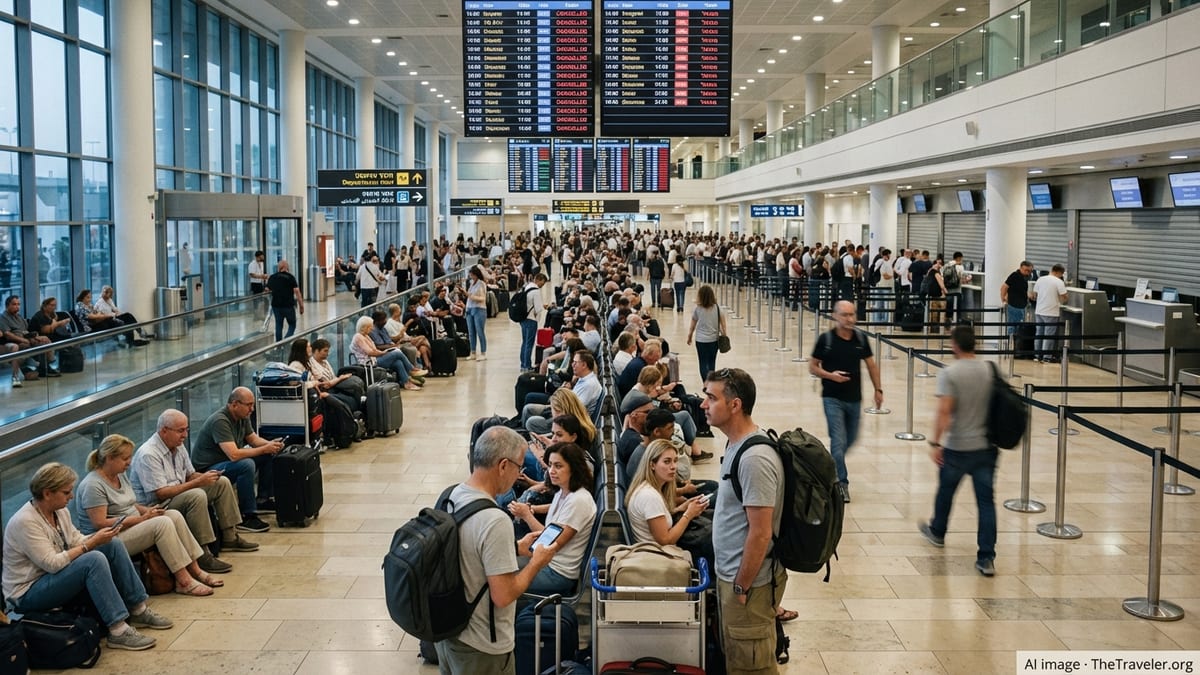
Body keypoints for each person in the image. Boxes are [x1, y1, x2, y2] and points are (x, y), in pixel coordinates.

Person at [3, 462, 173, 651]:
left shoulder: (60, 511)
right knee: (92, 560)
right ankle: (117, 629)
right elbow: (52, 564)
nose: (71, 497)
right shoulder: (25, 522)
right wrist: (91, 544)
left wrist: (101, 538)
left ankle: (138, 608)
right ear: (47, 493)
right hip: (28, 592)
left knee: (113, 544)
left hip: (50, 578)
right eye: (66, 492)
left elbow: (75, 539)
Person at [433, 426, 559, 672]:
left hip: (449, 634)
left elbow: (466, 549)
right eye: (519, 466)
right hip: (482, 645)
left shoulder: (452, 495)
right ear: (503, 465)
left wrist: (512, 548)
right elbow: (503, 595)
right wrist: (536, 562)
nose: (519, 474)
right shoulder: (495, 520)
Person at [701, 368, 787, 674]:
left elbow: (761, 533)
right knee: (737, 659)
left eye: (711, 397)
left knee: (753, 666)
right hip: (732, 576)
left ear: (735, 405)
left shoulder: (755, 459)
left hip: (749, 585)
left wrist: (741, 585)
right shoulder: (735, 444)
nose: (703, 404)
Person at [73, 434, 223, 596]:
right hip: (108, 538)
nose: (129, 463)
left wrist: (149, 512)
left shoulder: (119, 475)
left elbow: (130, 504)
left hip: (131, 525)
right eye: (125, 459)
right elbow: (100, 523)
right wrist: (142, 519)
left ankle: (196, 570)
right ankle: (184, 581)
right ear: (109, 458)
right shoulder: (92, 485)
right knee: (162, 524)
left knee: (172, 515)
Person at [130, 408, 257, 570]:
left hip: (177, 494)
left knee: (222, 483)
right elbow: (160, 493)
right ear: (164, 431)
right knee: (196, 495)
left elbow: (190, 474)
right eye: (180, 430)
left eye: (187, 430)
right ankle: (203, 553)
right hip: (159, 505)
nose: (185, 435)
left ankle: (229, 536)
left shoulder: (178, 445)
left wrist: (207, 477)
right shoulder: (148, 455)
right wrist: (197, 483)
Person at [918, 325, 999, 577]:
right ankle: (986, 557)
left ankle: (938, 531)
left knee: (946, 491)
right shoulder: (990, 369)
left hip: (958, 447)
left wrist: (935, 442)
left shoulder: (950, 373)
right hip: (986, 446)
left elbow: (944, 412)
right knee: (986, 502)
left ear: (954, 344)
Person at [809, 300, 883, 504]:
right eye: (845, 315)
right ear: (835, 316)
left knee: (850, 440)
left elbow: (871, 365)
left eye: (852, 315)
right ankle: (841, 483)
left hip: (854, 399)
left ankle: (829, 464)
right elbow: (813, 367)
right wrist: (831, 376)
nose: (849, 319)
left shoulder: (860, 338)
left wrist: (878, 389)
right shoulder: (826, 340)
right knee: (838, 440)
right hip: (832, 397)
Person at [189, 387, 283, 533]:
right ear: (234, 404)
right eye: (249, 405)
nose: (251, 409)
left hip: (226, 462)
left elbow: (253, 439)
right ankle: (247, 515)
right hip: (208, 469)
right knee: (246, 465)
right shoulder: (220, 421)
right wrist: (265, 448)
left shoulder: (242, 417)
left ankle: (263, 500)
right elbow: (234, 455)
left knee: (267, 454)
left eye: (252, 405)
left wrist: (271, 445)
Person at [507, 441, 595, 597]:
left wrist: (527, 515)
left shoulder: (579, 501)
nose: (551, 471)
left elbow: (552, 543)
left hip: (558, 573)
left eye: (558, 466)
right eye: (550, 465)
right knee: (500, 568)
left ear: (574, 469)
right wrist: (532, 509)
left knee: (501, 581)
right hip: (547, 562)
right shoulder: (564, 491)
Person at [626, 438, 707, 546]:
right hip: (660, 555)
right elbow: (666, 541)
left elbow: (659, 519)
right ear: (652, 465)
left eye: (675, 461)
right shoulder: (649, 496)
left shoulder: (650, 488)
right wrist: (688, 514)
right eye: (667, 461)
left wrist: (681, 508)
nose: (673, 467)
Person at [2, 295, 52, 385]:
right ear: (7, 305)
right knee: (23, 346)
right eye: (14, 304)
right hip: (16, 342)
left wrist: (34, 336)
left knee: (45, 340)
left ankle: (44, 368)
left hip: (26, 339)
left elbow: (26, 331)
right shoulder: (3, 317)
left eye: (18, 304)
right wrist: (23, 340)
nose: (17, 306)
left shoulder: (19, 317)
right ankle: (25, 369)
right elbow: (8, 335)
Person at [1030, 263, 1068, 363]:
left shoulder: (1040, 279)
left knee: (1039, 334)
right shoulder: (1059, 282)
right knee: (1048, 335)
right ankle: (1046, 357)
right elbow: (1064, 296)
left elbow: (1034, 294)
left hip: (1039, 311)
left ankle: (1037, 356)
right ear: (1059, 272)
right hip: (1051, 312)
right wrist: (1062, 300)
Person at [687, 284, 724, 382]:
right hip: (714, 340)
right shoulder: (718, 308)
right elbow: (723, 324)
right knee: (712, 362)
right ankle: (711, 382)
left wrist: (689, 336)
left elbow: (693, 324)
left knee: (702, 362)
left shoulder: (697, 308)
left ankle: (706, 382)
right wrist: (725, 336)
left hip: (701, 340)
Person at [266, 259, 304, 342]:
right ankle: (285, 342)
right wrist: (301, 306)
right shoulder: (290, 277)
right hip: (288, 306)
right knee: (292, 325)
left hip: (276, 306)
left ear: (279, 268)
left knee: (279, 325)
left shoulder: (273, 277)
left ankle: (279, 345)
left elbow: (266, 289)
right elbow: (297, 292)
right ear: (286, 267)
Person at [518, 273, 549, 372]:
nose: (542, 286)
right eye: (542, 283)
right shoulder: (536, 291)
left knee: (524, 342)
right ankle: (527, 366)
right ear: (539, 280)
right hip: (531, 319)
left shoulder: (527, 287)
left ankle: (523, 364)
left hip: (523, 318)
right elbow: (538, 308)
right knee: (529, 343)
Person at [1000, 260, 1034, 335]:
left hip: (1021, 305)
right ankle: (1012, 344)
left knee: (1019, 327)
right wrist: (1003, 299)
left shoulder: (1024, 278)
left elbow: (1020, 290)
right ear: (1020, 268)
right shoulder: (1015, 275)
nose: (1028, 272)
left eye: (1030, 271)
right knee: (1013, 327)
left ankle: (1016, 343)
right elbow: (1004, 287)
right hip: (1014, 305)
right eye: (1026, 270)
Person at [464, 265, 489, 361]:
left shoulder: (481, 284)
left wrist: (470, 296)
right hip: (469, 309)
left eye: (472, 275)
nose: (471, 277)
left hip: (479, 309)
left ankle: (483, 352)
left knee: (480, 331)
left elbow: (482, 298)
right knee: (471, 332)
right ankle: (473, 351)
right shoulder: (471, 283)